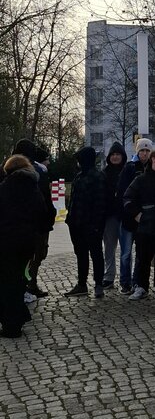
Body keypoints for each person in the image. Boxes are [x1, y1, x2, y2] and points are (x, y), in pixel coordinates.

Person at [0, 155, 47, 338]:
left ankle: (12, 323)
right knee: (19, 278)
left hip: (7, 240)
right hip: (28, 241)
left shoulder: (5, 188)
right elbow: (43, 213)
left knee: (8, 281)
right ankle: (18, 316)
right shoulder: (33, 187)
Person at [123, 148, 155, 301]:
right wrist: (137, 214)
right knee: (143, 257)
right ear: (154, 159)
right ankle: (141, 286)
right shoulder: (141, 179)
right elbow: (128, 197)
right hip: (144, 227)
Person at [12, 138, 56, 299]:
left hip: (15, 224)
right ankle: (27, 285)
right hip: (35, 223)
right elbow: (45, 198)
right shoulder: (37, 171)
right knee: (35, 255)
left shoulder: (6, 169)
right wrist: (48, 219)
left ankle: (27, 285)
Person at [65, 146, 106, 298]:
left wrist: (96, 225)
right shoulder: (79, 176)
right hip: (76, 223)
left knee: (96, 254)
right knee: (81, 254)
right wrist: (70, 219)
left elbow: (101, 203)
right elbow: (73, 201)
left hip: (91, 224)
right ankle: (82, 284)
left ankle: (98, 284)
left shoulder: (97, 177)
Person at [116, 138, 153, 293]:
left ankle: (137, 281)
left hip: (144, 219)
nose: (144, 153)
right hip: (129, 218)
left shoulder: (152, 168)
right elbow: (123, 193)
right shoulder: (129, 168)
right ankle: (125, 282)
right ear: (137, 151)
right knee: (126, 253)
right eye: (142, 150)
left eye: (147, 150)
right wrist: (131, 212)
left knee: (142, 254)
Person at [101, 141, 128, 289]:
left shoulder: (127, 171)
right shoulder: (104, 173)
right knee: (109, 247)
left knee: (126, 249)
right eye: (113, 154)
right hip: (110, 215)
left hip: (124, 216)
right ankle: (109, 276)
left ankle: (126, 278)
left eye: (118, 154)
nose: (115, 157)